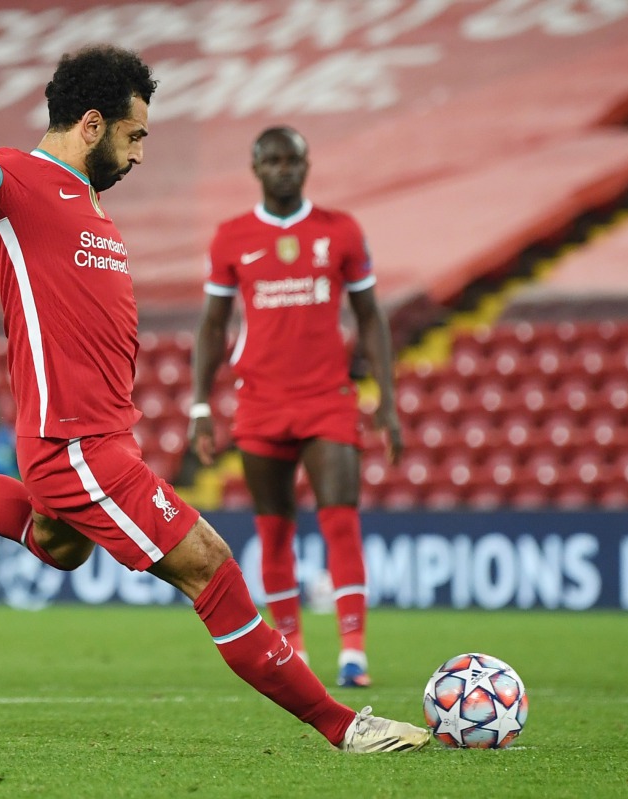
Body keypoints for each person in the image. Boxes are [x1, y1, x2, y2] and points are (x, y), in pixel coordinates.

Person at [0, 45, 427, 754]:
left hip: (97, 439)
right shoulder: (21, 182)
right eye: (136, 136)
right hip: (75, 442)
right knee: (210, 568)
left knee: (59, 545)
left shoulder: (86, 202)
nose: (141, 155)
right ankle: (345, 725)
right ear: (92, 125)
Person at [188, 127, 401, 689]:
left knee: (341, 520)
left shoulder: (341, 230)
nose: (284, 169)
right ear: (256, 168)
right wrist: (199, 406)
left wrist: (388, 400)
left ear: (307, 166)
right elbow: (213, 326)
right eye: (273, 160)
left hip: (327, 397)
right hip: (260, 400)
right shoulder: (232, 237)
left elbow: (371, 316)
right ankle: (295, 650)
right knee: (274, 528)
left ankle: (353, 653)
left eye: (293, 160)